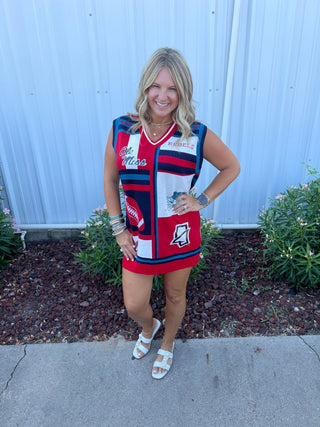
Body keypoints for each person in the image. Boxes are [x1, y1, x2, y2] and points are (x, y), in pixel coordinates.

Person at [103, 47, 240, 379]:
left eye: (172, 88)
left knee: (175, 295)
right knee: (134, 304)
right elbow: (109, 179)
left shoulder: (195, 134)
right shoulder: (123, 129)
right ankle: (149, 326)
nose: (163, 96)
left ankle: (167, 343)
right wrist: (118, 228)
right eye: (156, 86)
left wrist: (202, 200)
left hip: (179, 236)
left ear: (183, 91)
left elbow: (231, 167)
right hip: (138, 236)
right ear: (146, 87)